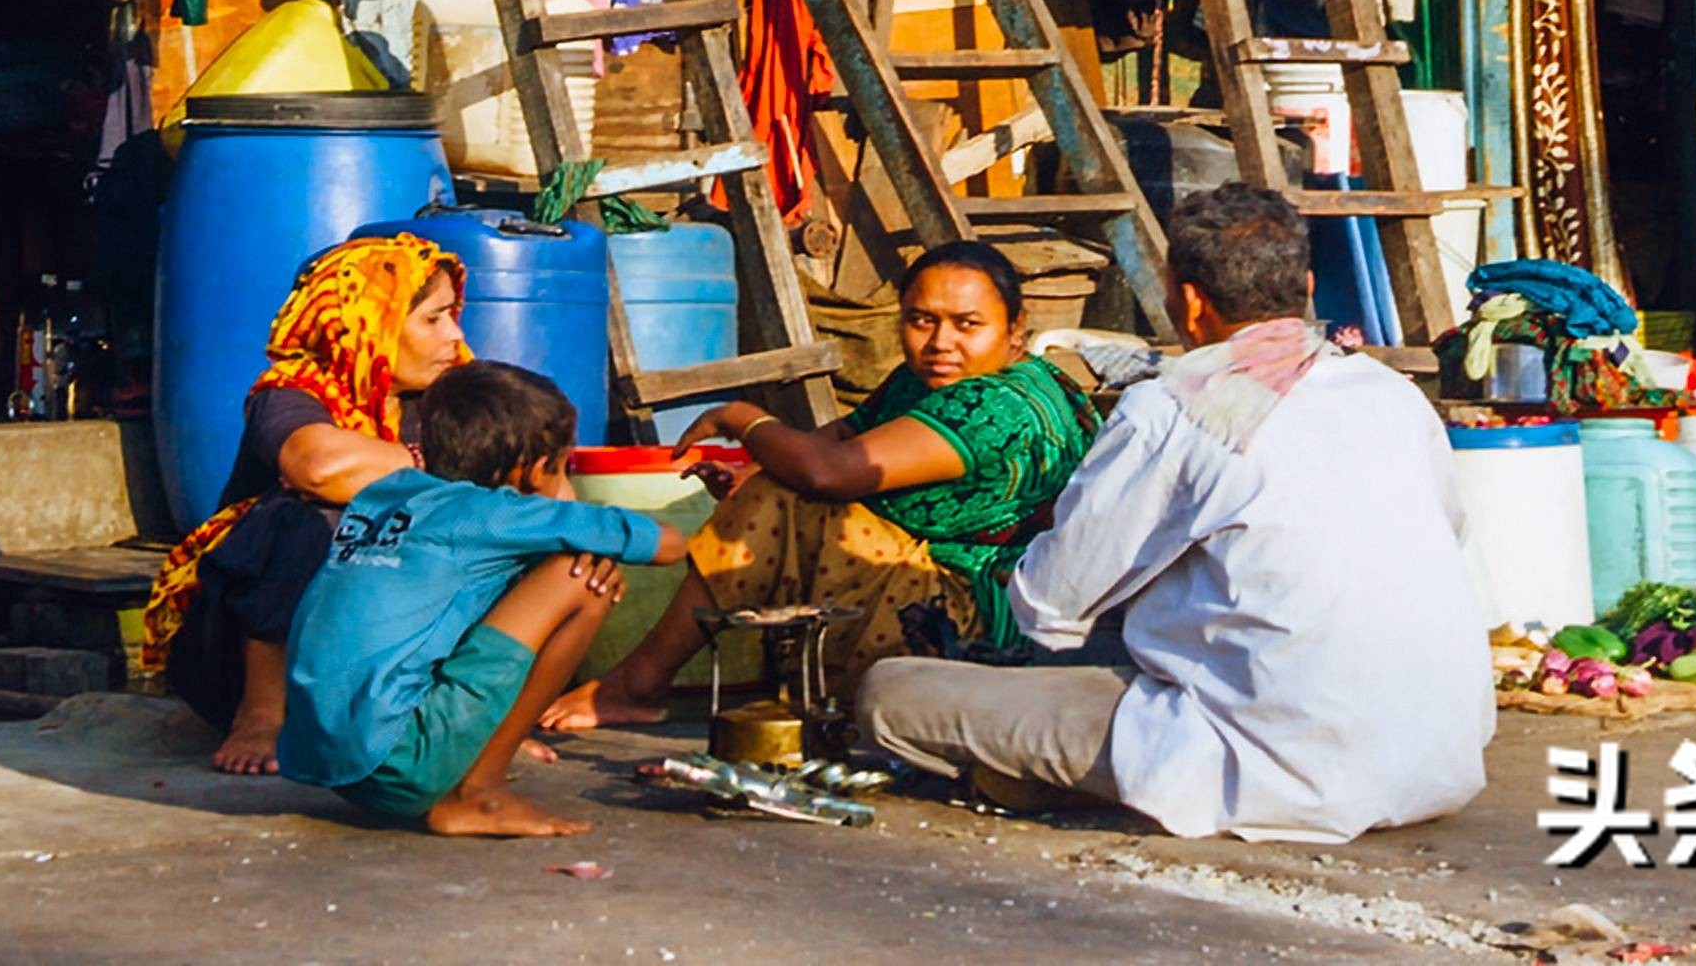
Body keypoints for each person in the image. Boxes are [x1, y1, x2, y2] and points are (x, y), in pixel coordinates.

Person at [850, 183, 1491, 844]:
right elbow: (1445, 532)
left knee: (890, 694)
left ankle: (1052, 777)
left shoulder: (1177, 405)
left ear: (1187, 301)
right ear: (1305, 284)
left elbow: (1045, 605)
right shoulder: (1392, 395)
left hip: (1278, 770)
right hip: (1437, 762)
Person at [543, 239, 1099, 729]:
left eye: (967, 324)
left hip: (975, 622)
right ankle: (648, 683)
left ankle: (639, 685)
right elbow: (826, 446)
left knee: (779, 497)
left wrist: (741, 417)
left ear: (1015, 329)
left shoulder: (997, 405)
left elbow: (825, 472)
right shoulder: (927, 380)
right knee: (767, 491)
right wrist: (755, 469)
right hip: (939, 589)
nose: (939, 342)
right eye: (921, 319)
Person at [277, 360, 653, 841]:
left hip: (323, 759)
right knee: (577, 579)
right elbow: (666, 544)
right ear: (537, 470)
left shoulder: (387, 495)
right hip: (397, 764)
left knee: (513, 576)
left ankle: (463, 762)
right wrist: (578, 528)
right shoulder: (494, 513)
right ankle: (479, 794)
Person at [139, 233, 469, 775]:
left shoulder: (446, 396)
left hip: (372, 640)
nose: (454, 336)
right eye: (432, 320)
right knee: (314, 517)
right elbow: (318, 468)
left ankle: (467, 713)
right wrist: (428, 459)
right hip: (234, 638)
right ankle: (263, 710)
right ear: (370, 322)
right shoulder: (291, 393)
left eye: (451, 316)